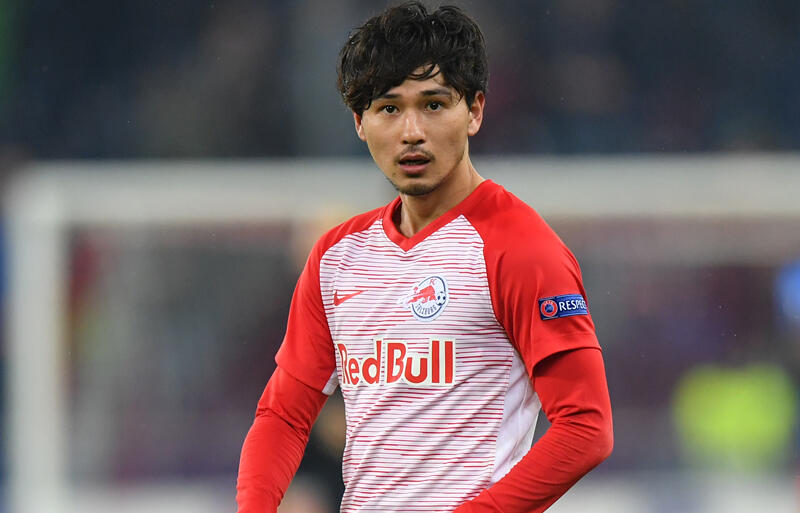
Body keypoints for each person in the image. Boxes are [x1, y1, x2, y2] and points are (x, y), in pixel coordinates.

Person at [236, 3, 613, 512]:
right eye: (389, 108)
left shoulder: (521, 248)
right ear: (360, 122)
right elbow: (283, 415)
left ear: (474, 111)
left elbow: (586, 427)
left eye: (434, 104)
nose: (411, 131)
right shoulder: (336, 256)